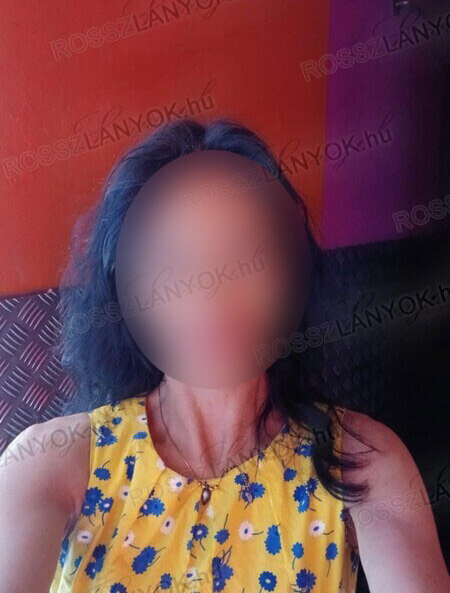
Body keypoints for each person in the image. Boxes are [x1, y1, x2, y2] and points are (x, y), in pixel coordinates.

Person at [0, 118, 448, 593]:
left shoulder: (361, 458)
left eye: (244, 254)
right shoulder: (53, 460)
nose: (209, 290)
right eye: (171, 261)